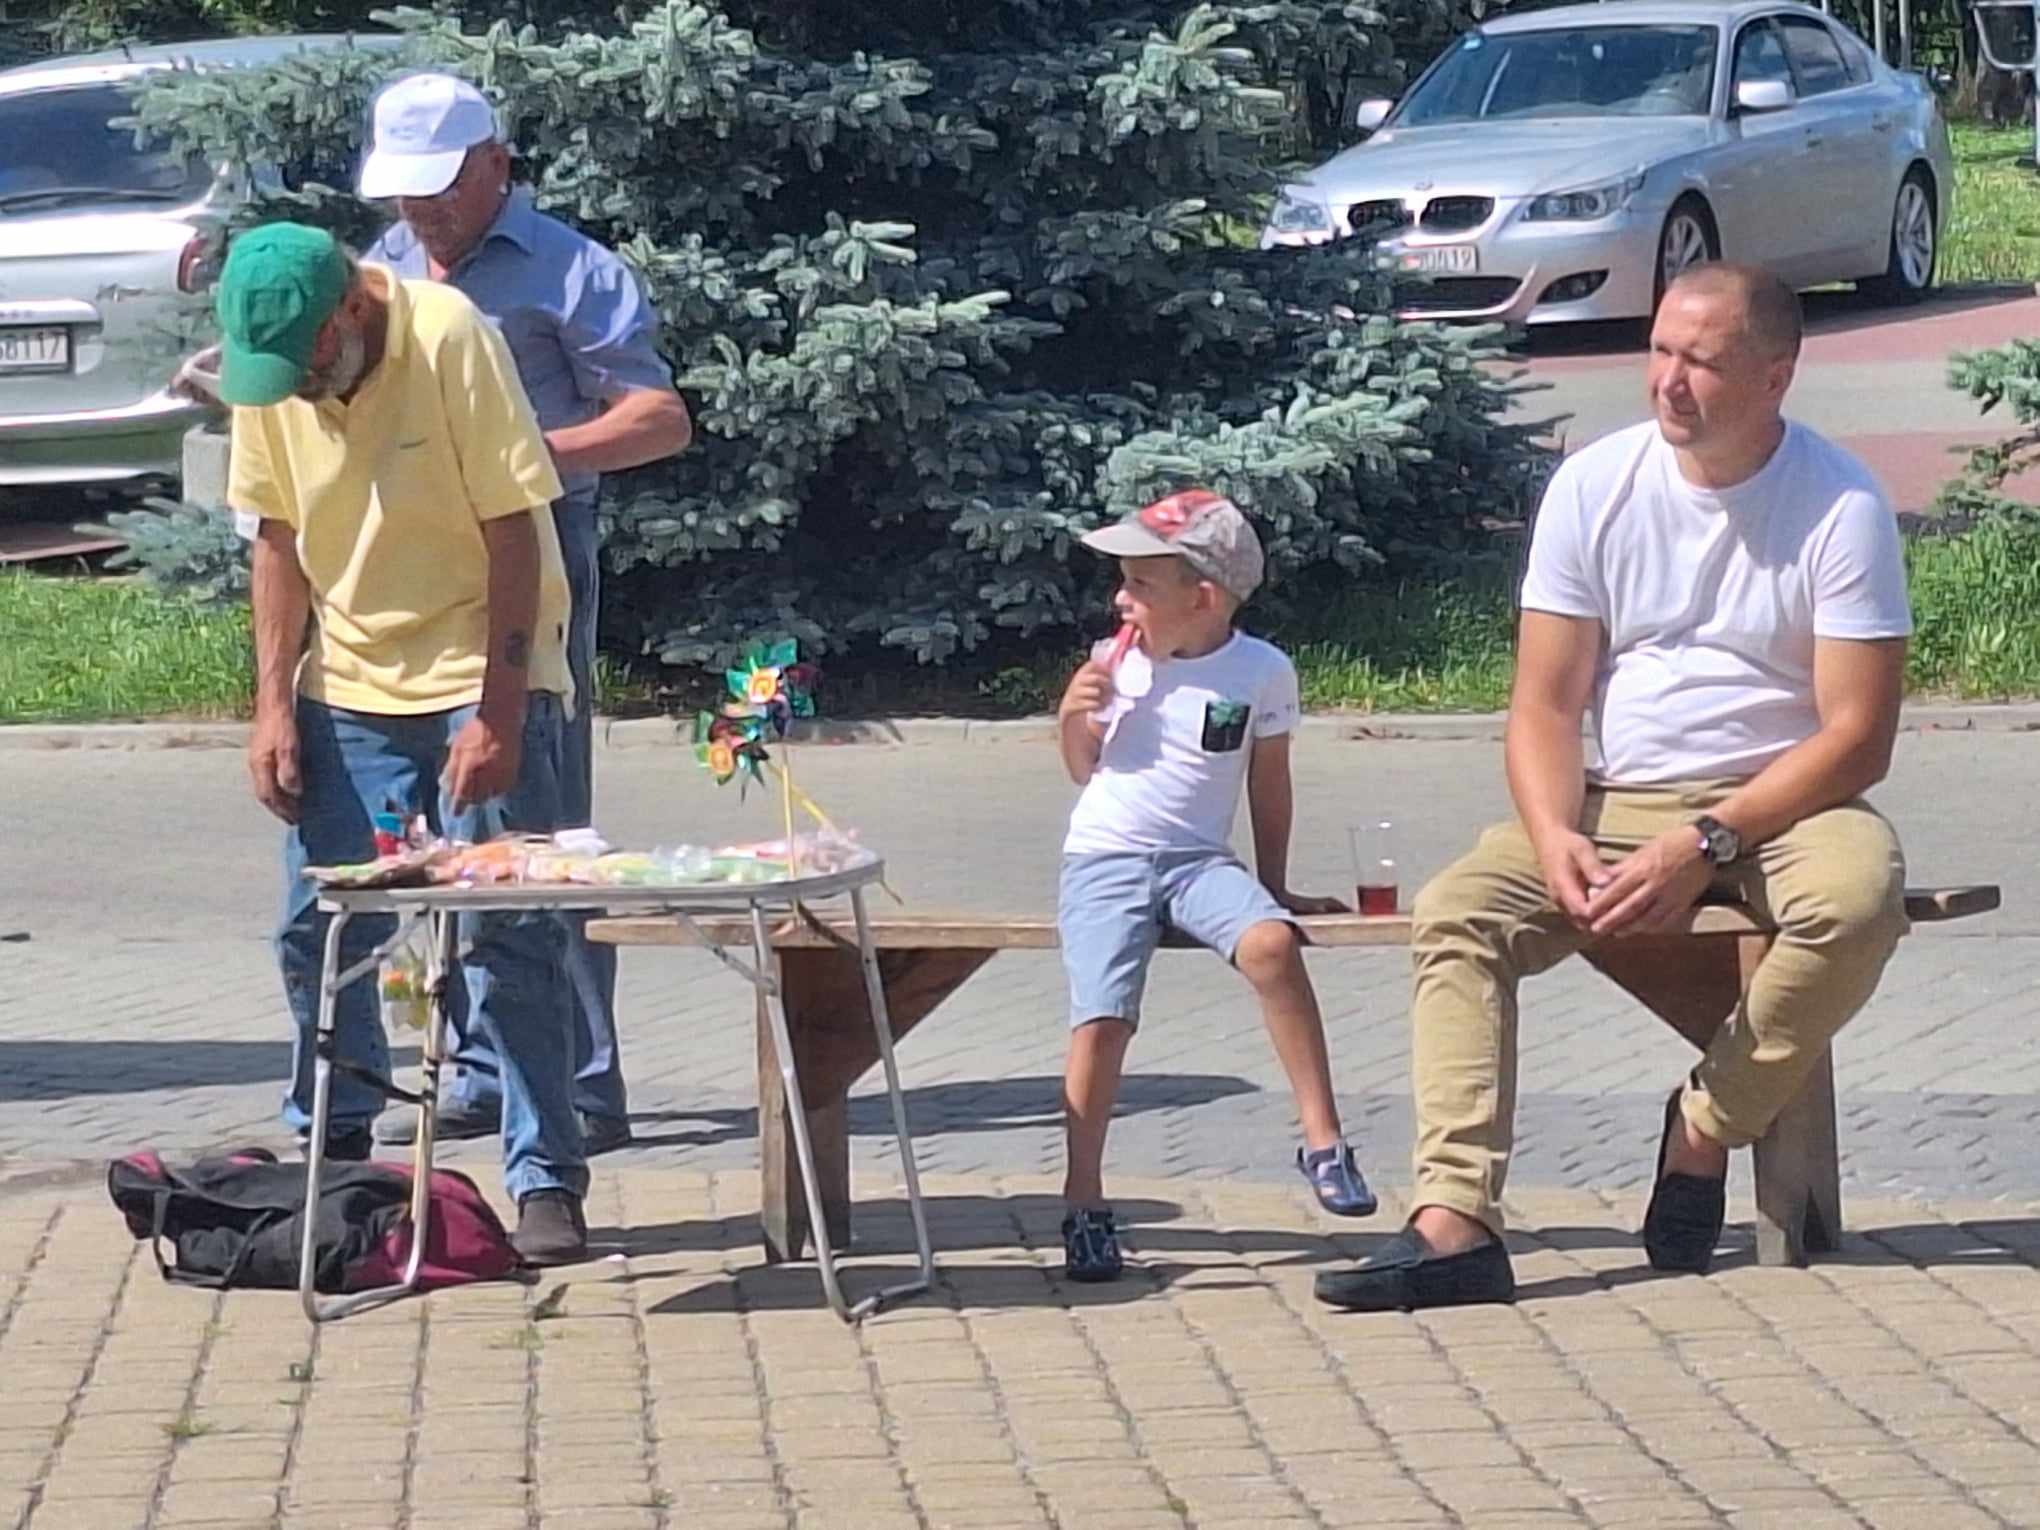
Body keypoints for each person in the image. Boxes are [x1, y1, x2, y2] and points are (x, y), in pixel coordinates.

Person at [1314, 264, 1913, 1314]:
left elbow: (1859, 738)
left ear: (1776, 376)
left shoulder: (1842, 503)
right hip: (1618, 794)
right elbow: (1545, 706)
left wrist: (1708, 841)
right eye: (1661, 351)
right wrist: (1554, 834)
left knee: (1858, 902)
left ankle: (1705, 1126)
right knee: (1458, 911)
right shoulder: (1595, 485)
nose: (1669, 381)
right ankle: (1455, 1223)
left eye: (1703, 362)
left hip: (1783, 801)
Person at [219, 219, 593, 1265]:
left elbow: (514, 527)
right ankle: (338, 1151)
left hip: (481, 668)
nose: (294, 390)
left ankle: (546, 1179)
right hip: (348, 685)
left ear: (349, 308)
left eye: (305, 364)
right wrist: (273, 706)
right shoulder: (275, 370)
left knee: (507, 934)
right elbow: (277, 538)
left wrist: (500, 711)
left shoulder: (449, 334)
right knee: (319, 929)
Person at [355, 73, 693, 1156]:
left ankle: (582, 1086)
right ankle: (480, 1068)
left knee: (537, 817)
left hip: (539, 553)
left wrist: (525, 459)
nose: (420, 209)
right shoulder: (383, 267)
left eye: (441, 186)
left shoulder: (573, 269)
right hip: (408, 566)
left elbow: (658, 418)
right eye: (405, 190)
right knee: (437, 825)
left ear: (496, 162)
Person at [1054, 488, 1377, 1283]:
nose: (1120, 599)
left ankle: (1324, 1143)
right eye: (1122, 582)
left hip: (1199, 859)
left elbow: (1269, 783)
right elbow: (1083, 770)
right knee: (1103, 1016)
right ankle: (1084, 1200)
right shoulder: (1112, 661)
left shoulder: (1261, 671)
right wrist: (1072, 716)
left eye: (1140, 585)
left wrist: (1276, 886)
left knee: (1272, 946)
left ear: (1202, 598)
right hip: (1105, 857)